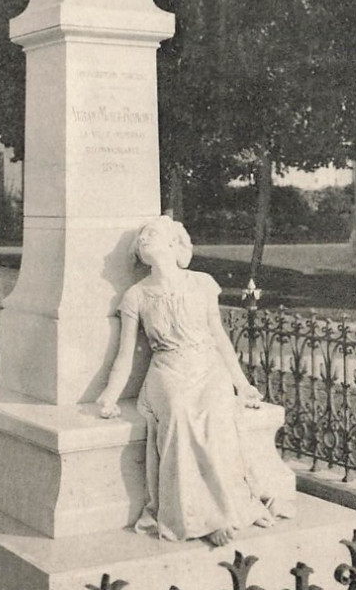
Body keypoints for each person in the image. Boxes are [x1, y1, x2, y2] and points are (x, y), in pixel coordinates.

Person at [97, 215, 281, 546]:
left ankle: (229, 511)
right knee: (179, 415)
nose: (143, 239)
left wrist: (241, 383)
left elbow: (220, 337)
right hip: (167, 370)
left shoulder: (203, 283)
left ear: (173, 244)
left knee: (217, 415)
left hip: (208, 368)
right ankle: (197, 520)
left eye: (151, 234)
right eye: (141, 237)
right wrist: (110, 396)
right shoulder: (135, 296)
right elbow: (124, 355)